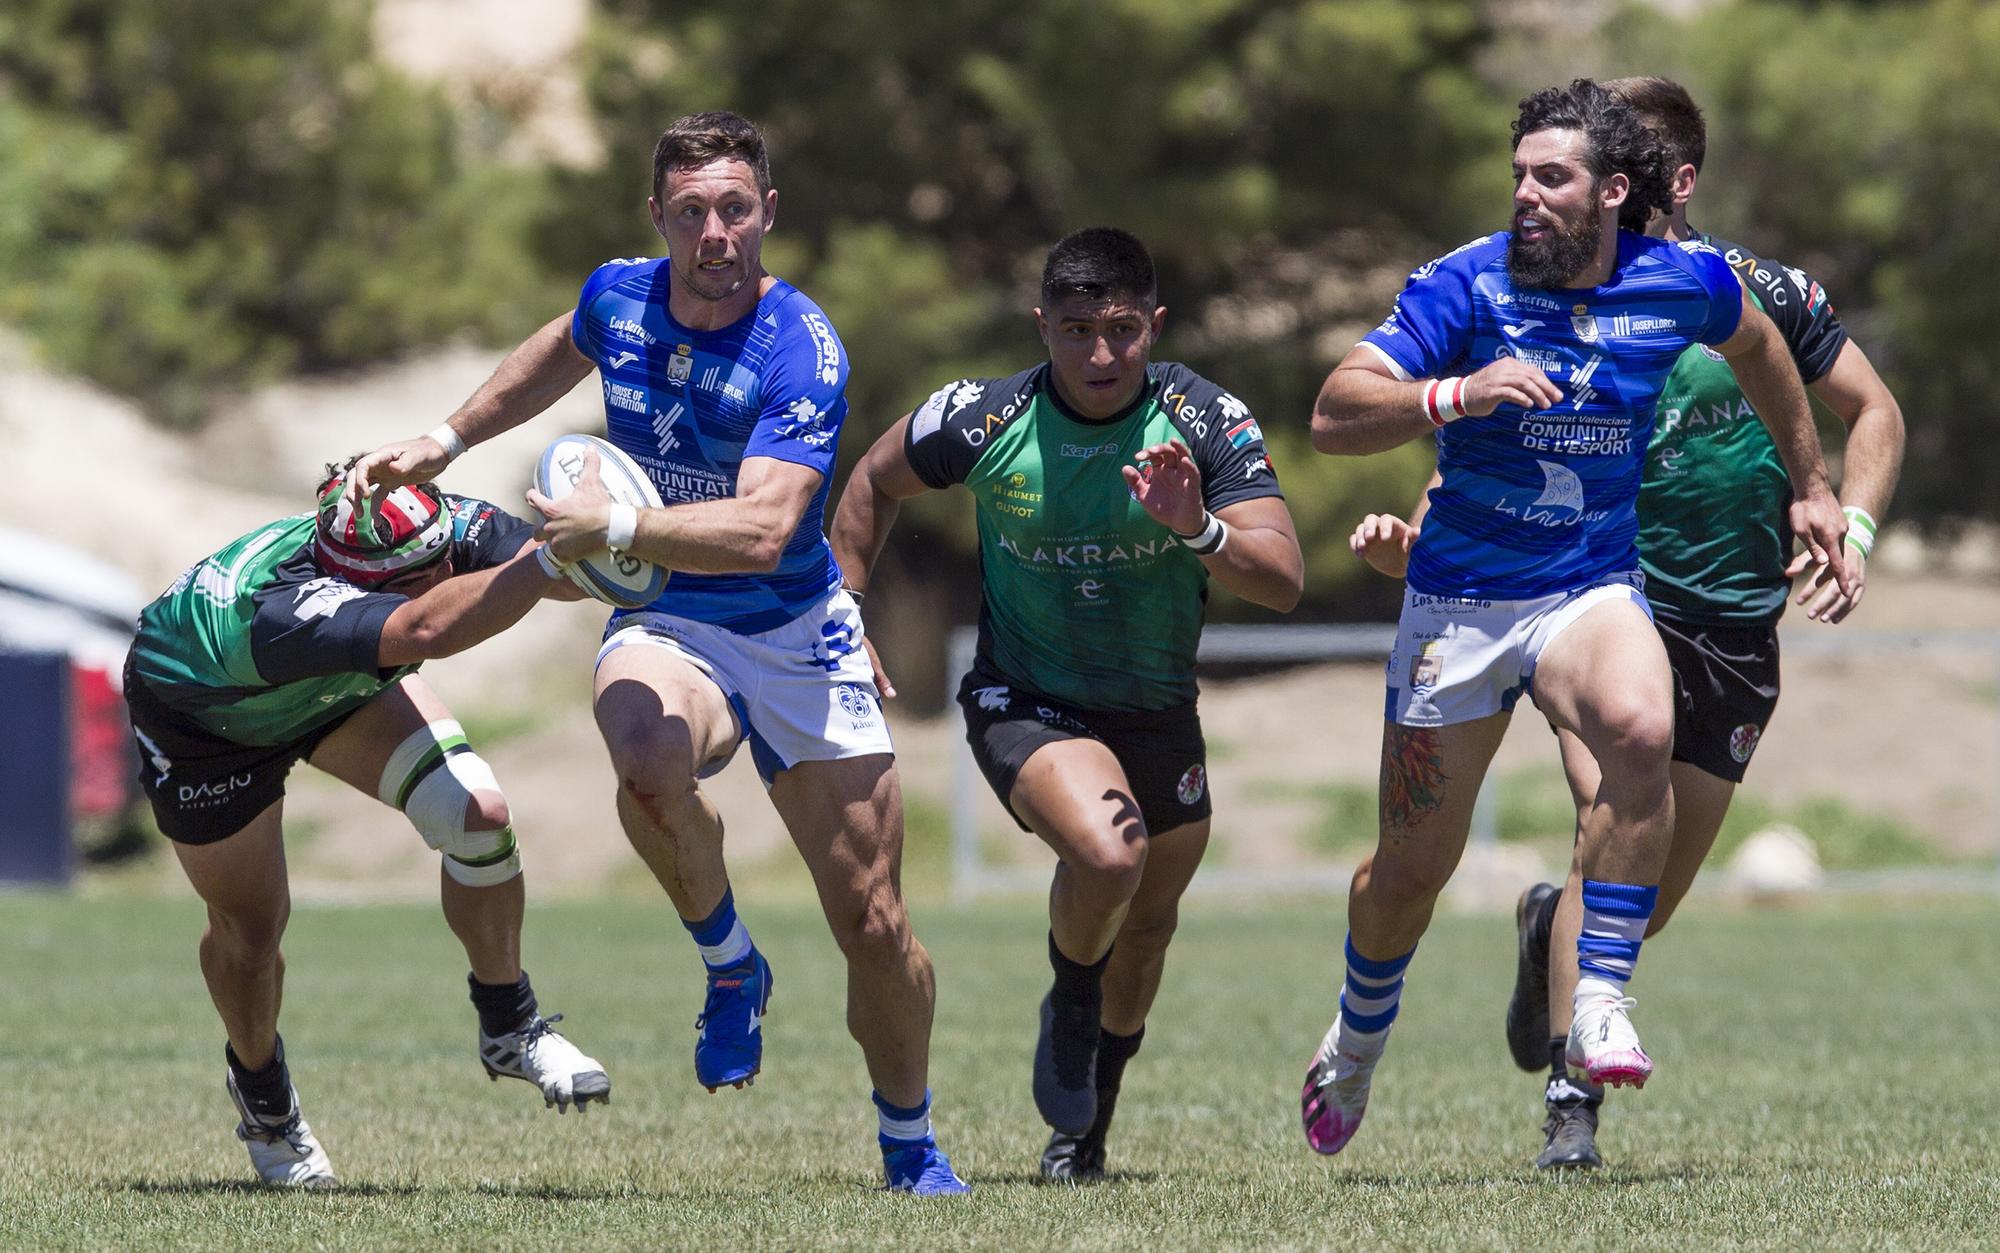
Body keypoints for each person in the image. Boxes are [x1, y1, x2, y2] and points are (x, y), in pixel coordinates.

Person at [344, 111, 967, 1194]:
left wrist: (613, 531)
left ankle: (908, 1141)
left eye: (734, 208)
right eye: (691, 212)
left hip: (793, 628)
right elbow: (560, 345)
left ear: (766, 212)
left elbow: (767, 528)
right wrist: (444, 441)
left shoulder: (799, 347)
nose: (714, 232)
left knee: (873, 921)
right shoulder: (618, 293)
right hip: (671, 614)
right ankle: (732, 966)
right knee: (641, 745)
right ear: (658, 218)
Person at [1296, 79, 1852, 1160]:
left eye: (1548, 177)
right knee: (1407, 872)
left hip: (1586, 586)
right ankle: (1356, 1034)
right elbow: (1331, 411)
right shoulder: (1463, 285)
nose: (1524, 196)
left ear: (1609, 190)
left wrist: (1811, 483)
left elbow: (1763, 351)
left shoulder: (1681, 280)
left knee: (1643, 728)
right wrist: (1451, 395)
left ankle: (1596, 997)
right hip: (1459, 599)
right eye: (1516, 175)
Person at [829, 227, 1304, 1181]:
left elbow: (1285, 576)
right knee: (1106, 851)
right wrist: (844, 613)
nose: (1098, 354)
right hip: (1026, 698)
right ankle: (1070, 995)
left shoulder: (1205, 421)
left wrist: (1197, 525)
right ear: (1041, 324)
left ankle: (1084, 1131)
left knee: (1149, 924)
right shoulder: (979, 416)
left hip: (1158, 706)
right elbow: (874, 480)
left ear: (1153, 325)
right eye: (1077, 329)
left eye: (1122, 330)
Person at [124, 463, 607, 1188]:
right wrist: (551, 554)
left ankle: (511, 1025)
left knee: (479, 815)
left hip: (334, 678)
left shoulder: (416, 526)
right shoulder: (283, 611)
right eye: (431, 570)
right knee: (252, 935)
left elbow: (561, 573)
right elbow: (430, 626)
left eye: (449, 553)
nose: (450, 568)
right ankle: (263, 1097)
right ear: (365, 585)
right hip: (207, 720)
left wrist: (610, 533)